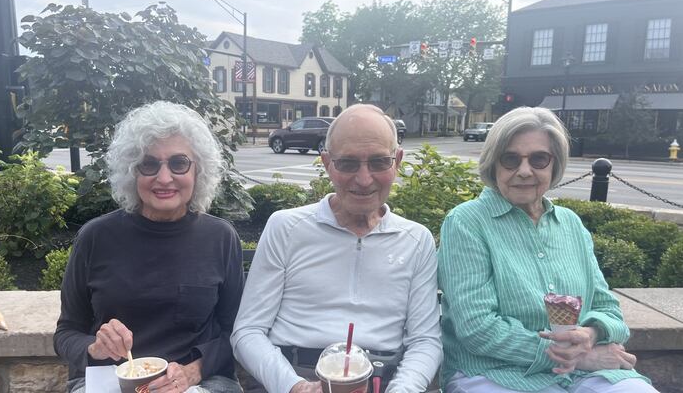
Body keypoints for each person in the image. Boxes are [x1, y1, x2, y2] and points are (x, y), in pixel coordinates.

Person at [437, 107, 657, 393]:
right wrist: (580, 357)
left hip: (585, 374)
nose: (525, 171)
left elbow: (609, 310)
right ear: (493, 163)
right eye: (510, 159)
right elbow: (478, 329)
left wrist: (592, 334)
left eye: (539, 159)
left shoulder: (570, 224)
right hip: (495, 373)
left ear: (554, 164)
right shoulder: (466, 222)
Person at [231, 104, 442, 393]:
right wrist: (294, 386)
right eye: (348, 163)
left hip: (384, 380)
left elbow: (425, 340)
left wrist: (402, 390)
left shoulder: (416, 240)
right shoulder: (286, 228)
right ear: (327, 162)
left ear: (398, 161)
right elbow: (247, 331)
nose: (364, 179)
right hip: (293, 374)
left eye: (379, 162)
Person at [54, 101, 244, 393]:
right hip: (110, 380)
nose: (164, 178)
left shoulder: (220, 237)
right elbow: (66, 333)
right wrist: (95, 348)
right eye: (149, 163)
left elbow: (236, 333)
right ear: (132, 171)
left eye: (179, 163)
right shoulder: (95, 237)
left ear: (198, 171)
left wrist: (193, 372)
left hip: (198, 382)